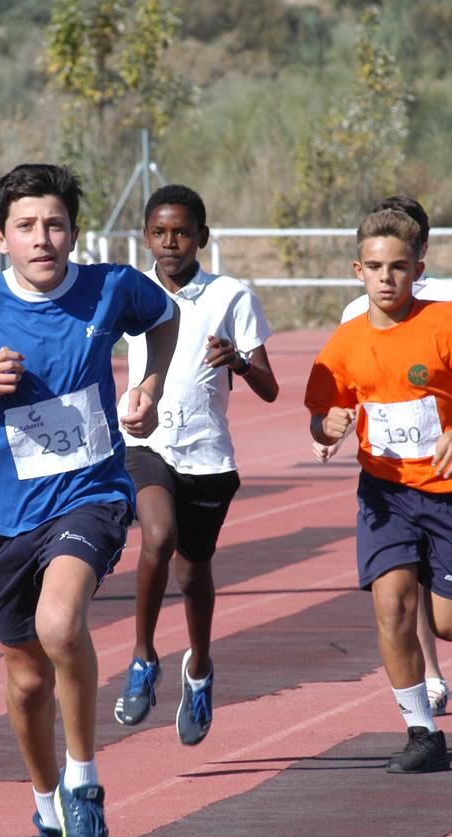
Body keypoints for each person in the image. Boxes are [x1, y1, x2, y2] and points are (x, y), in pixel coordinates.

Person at [0, 163, 178, 837]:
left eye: (54, 224)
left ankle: (85, 790)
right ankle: (48, 811)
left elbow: (162, 318)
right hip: (1, 514)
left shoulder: (110, 287)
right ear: (0, 238)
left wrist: (148, 385)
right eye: (26, 226)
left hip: (90, 493)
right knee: (26, 678)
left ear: (73, 232)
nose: (42, 238)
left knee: (62, 625)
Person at [305, 208, 452, 774]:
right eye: (375, 267)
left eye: (398, 267)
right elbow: (323, 411)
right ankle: (421, 730)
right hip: (385, 493)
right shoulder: (346, 342)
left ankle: (432, 575)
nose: (386, 278)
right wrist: (325, 428)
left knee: (449, 626)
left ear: (417, 269)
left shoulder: (450, 323)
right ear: (358, 270)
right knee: (392, 606)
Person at [112, 184, 279, 746]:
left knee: (194, 569)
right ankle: (141, 658)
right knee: (156, 537)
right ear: (145, 237)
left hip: (208, 453)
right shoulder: (131, 292)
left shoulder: (230, 296)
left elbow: (270, 388)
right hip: (145, 442)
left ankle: (200, 668)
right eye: (159, 233)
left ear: (202, 237)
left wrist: (238, 360)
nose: (170, 243)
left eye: (181, 232)